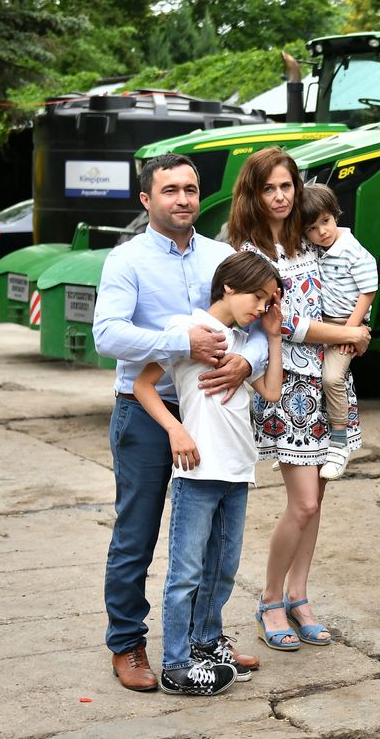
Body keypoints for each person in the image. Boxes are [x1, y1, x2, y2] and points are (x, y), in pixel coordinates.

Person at [93, 153, 268, 692]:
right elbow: (108, 336)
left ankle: (201, 638)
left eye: (191, 189)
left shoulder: (221, 255)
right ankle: (128, 644)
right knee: (137, 535)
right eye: (170, 190)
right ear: (147, 200)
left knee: (212, 543)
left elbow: (257, 317)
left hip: (213, 413)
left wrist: (250, 361)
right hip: (151, 413)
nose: (184, 199)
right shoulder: (127, 261)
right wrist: (180, 341)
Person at [226, 146, 372, 651]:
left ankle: (300, 595)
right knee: (303, 502)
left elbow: (352, 280)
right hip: (286, 387)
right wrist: (344, 336)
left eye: (286, 185)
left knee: (317, 501)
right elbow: (282, 323)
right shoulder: (250, 252)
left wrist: (355, 328)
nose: (280, 196)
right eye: (269, 188)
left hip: (328, 381)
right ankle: (270, 599)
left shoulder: (311, 238)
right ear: (254, 193)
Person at [133, 251, 285, 695]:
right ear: (229, 287)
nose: (261, 308)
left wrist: (272, 337)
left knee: (223, 567)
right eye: (258, 297)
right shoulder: (189, 330)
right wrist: (175, 430)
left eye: (269, 301)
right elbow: (143, 385)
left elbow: (272, 391)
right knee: (186, 572)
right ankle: (177, 663)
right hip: (197, 472)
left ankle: (206, 641)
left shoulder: (244, 340)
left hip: (238, 469)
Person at [301, 183, 378, 480]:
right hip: (322, 323)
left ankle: (339, 441)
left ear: (335, 216)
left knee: (332, 378)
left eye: (325, 221)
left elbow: (368, 291)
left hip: (346, 322)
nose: (321, 231)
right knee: (304, 377)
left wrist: (351, 330)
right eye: (312, 228)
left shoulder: (351, 251)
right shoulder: (316, 250)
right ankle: (304, 444)